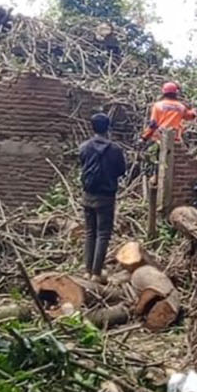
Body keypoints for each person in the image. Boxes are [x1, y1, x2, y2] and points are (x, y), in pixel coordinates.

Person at [79, 113, 126, 278]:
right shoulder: (115, 149)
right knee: (103, 234)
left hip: (88, 195)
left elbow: (82, 165)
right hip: (106, 197)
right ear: (108, 128)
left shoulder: (84, 147)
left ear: (92, 127)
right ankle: (96, 273)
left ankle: (87, 270)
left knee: (90, 232)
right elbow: (121, 170)